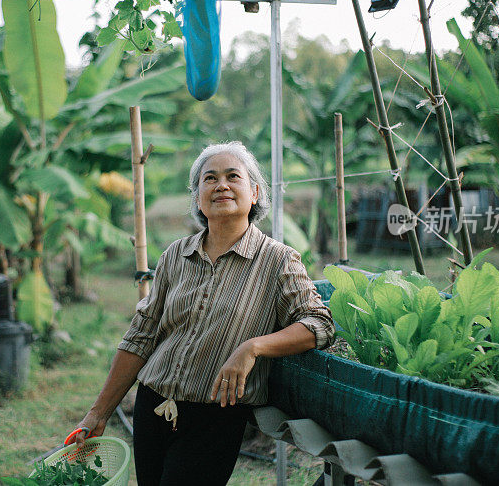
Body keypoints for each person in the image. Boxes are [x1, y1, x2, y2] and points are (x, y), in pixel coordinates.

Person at [69, 142, 335, 485]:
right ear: (198, 198)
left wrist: (252, 348)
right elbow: (140, 336)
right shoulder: (175, 255)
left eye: (232, 176)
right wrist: (98, 413)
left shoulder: (278, 261)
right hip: (153, 405)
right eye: (209, 179)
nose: (221, 185)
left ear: (254, 192)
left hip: (216, 416)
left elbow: (320, 324)